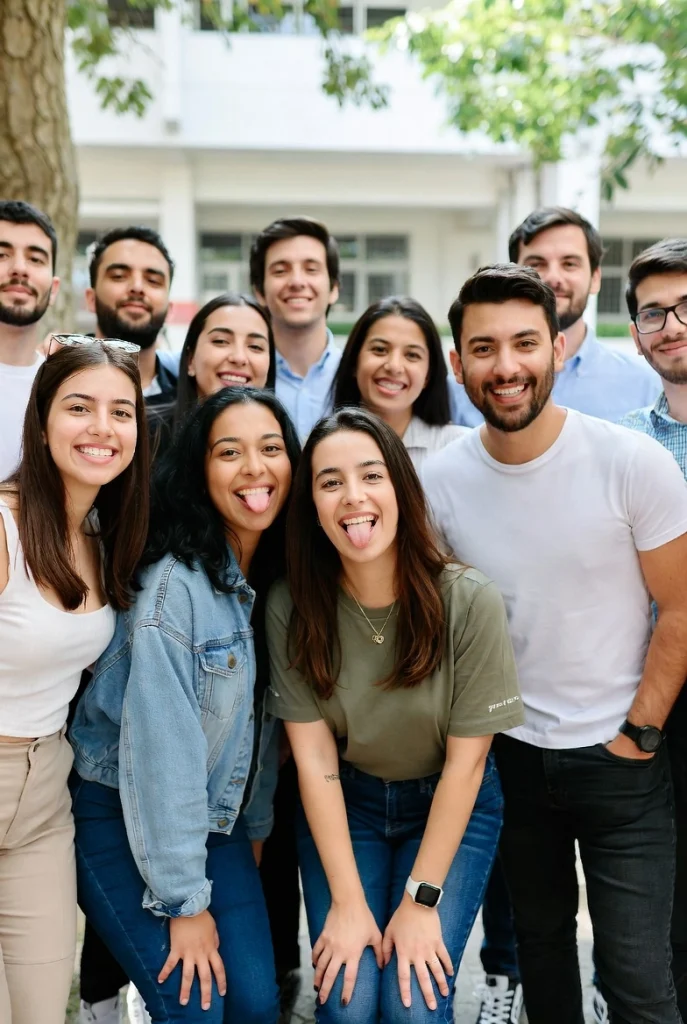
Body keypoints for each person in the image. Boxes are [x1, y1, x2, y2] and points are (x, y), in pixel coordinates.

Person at [423, 263, 687, 1024]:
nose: (504, 367)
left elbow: (678, 607)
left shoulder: (629, 461)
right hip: (509, 759)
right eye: (483, 348)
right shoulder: (439, 482)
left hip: (623, 763)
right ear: (458, 363)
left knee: (639, 983)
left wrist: (639, 731)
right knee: (541, 959)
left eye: (523, 344)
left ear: (559, 347)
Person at [266, 407, 524, 1023]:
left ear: (401, 488)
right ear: (312, 506)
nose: (353, 497)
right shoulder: (293, 606)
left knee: (412, 1004)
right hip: (346, 801)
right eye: (330, 482)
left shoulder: (468, 600)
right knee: (349, 1003)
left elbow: (467, 768)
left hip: (449, 801)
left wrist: (421, 904)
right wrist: (349, 904)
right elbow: (313, 758)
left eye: (371, 475)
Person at [70, 387, 300, 1024]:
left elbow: (259, 730)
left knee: (256, 1004)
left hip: (208, 816)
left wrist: (249, 831)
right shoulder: (174, 590)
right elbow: (161, 756)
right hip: (118, 805)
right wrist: (186, 905)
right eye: (230, 452)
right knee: (195, 1006)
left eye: (272, 449)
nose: (255, 468)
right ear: (200, 472)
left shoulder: (278, 576)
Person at [0, 337, 149, 1024]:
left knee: (40, 1011)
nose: (102, 428)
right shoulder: (3, 529)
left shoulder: (98, 532)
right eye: (79, 407)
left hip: (43, 796)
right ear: (41, 419)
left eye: (122, 412)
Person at [78, 225, 179, 1024]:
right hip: (70, 645)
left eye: (152, 276)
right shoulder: (62, 383)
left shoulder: (182, 405)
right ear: (91, 293)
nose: (136, 289)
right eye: (120, 274)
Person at [620, 238, 687, 1020]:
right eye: (652, 313)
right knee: (664, 888)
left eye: (683, 308)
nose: (671, 325)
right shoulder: (624, 444)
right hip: (656, 688)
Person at [448, 207, 660, 428]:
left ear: (595, 278)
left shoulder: (645, 385)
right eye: (537, 264)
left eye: (569, 264)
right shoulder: (457, 389)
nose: (553, 277)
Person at [331, 297, 467, 470]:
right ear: (353, 362)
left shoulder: (458, 449)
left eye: (412, 355)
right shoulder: (320, 448)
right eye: (380, 349)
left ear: (428, 375)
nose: (394, 367)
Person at [250, 217, 341, 439]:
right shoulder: (243, 374)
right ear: (259, 291)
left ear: (334, 289)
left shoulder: (358, 374)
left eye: (311, 269)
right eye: (281, 271)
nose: (297, 282)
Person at [0, 200, 59, 480]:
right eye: (2, 254)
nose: (20, 269)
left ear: (54, 288)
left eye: (36, 259)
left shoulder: (63, 387)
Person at [174, 292, 276, 428]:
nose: (239, 358)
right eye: (220, 341)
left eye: (255, 346)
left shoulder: (282, 439)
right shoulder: (147, 435)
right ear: (190, 359)